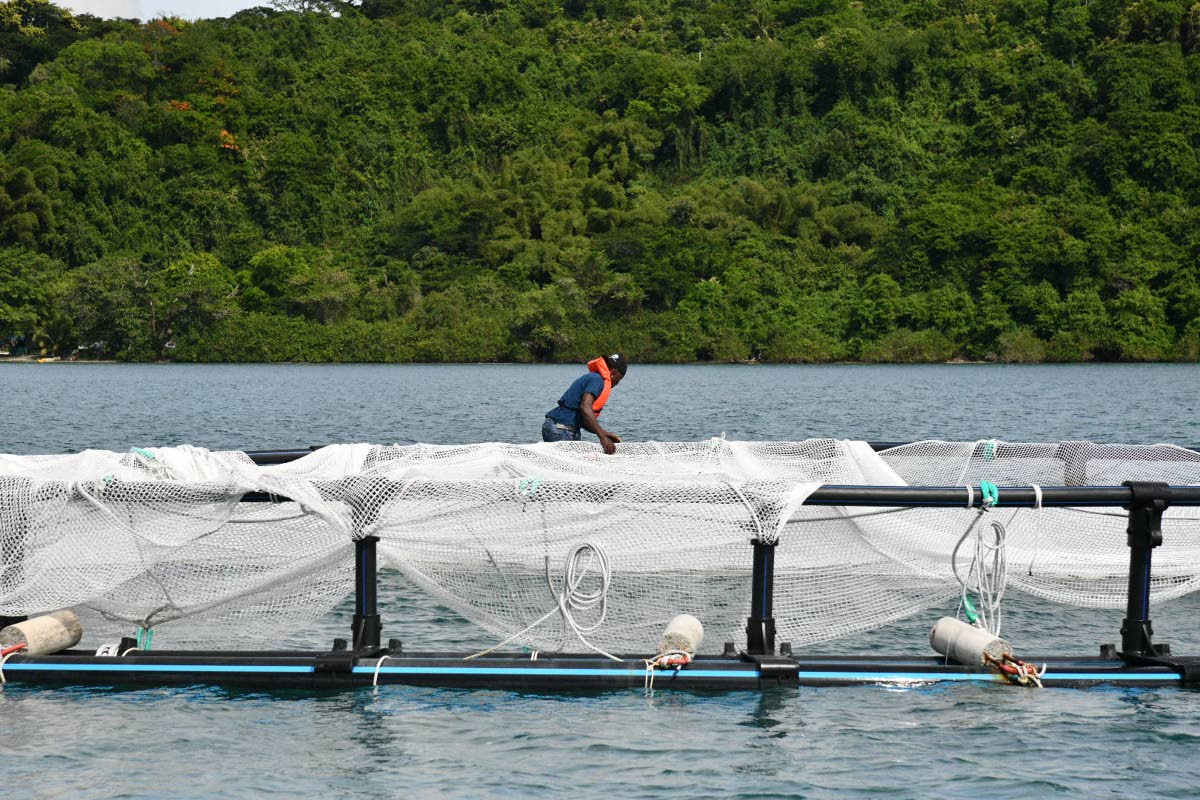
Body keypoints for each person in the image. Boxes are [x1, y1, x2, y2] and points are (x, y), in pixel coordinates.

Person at [542, 353, 628, 454]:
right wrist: (602, 437)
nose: (617, 383)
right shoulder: (597, 380)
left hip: (559, 426)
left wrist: (605, 434)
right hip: (561, 429)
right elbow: (585, 407)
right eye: (620, 379)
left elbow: (585, 420)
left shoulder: (594, 378)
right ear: (613, 372)